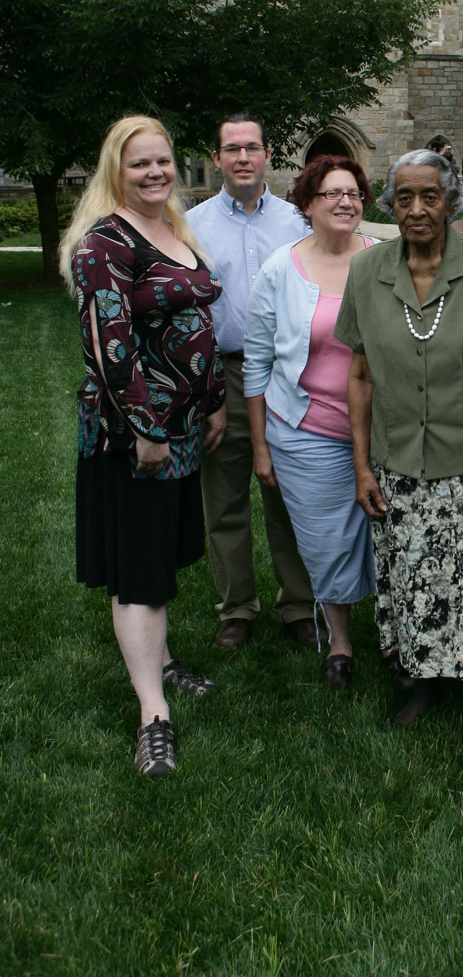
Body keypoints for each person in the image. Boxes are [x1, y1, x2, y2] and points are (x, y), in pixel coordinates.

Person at [336, 149, 463, 744]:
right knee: (411, 573)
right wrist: (361, 465)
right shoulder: (367, 272)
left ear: (452, 201)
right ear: (389, 205)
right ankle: (423, 683)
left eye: (430, 196)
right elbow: (360, 375)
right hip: (396, 461)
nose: (417, 209)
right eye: (404, 198)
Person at [61, 116, 227, 778]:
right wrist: (147, 429)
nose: (156, 173)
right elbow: (109, 346)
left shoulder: (171, 231)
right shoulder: (104, 242)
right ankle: (152, 715)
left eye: (163, 161)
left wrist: (211, 402)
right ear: (115, 171)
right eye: (140, 165)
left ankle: (160, 660)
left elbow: (197, 324)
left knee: (160, 551)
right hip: (134, 435)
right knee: (138, 570)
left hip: (183, 427)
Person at [244, 156, 378, 691]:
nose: (346, 202)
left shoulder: (384, 261)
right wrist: (260, 446)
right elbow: (255, 363)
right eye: (332, 194)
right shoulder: (281, 268)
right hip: (305, 431)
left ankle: (395, 634)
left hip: (383, 428)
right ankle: (341, 643)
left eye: (354, 193)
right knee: (327, 539)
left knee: (388, 532)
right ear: (307, 204)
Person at [187, 114, 316, 649]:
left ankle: (300, 605)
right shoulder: (189, 224)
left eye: (253, 147)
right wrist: (205, 389)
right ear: (216, 159)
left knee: (287, 492)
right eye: (231, 149)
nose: (243, 157)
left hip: (288, 375)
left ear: (268, 156)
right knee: (224, 498)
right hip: (221, 375)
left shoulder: (297, 221)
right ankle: (236, 607)